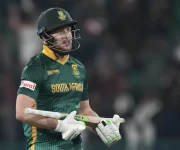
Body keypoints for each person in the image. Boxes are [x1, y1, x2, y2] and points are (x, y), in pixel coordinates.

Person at [16, 7, 122, 150]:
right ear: (44, 37)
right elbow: (22, 112)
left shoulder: (78, 68)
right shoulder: (35, 68)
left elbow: (84, 112)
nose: (66, 36)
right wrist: (59, 125)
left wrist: (101, 125)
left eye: (67, 30)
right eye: (59, 31)